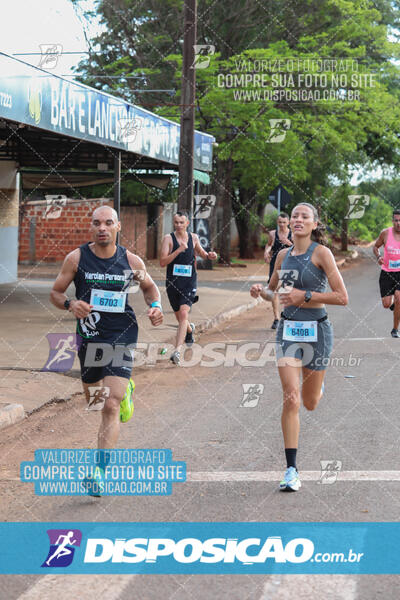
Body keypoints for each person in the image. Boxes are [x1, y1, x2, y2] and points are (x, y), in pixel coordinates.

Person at [50, 206, 163, 495]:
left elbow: (150, 288)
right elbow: (56, 292)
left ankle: (98, 473)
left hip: (121, 335)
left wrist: (155, 307)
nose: (102, 227)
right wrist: (70, 305)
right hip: (88, 337)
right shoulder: (76, 258)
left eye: (108, 223)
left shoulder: (130, 260)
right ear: (92, 227)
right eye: (97, 223)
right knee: (95, 401)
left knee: (110, 405)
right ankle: (123, 391)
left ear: (117, 227)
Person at [250, 203, 348, 492]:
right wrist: (260, 291)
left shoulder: (321, 254)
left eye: (304, 216)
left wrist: (305, 295)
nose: (298, 220)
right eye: (294, 216)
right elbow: (274, 293)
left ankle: (316, 388)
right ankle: (291, 469)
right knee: (291, 398)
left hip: (317, 330)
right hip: (288, 332)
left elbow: (342, 297)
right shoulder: (282, 255)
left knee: (310, 402)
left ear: (315, 223)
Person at [160, 211, 217, 365]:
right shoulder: (168, 239)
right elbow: (162, 262)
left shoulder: (193, 238)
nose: (178, 225)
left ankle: (176, 352)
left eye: (181, 222)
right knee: (181, 318)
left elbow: (201, 253)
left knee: (184, 314)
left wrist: (209, 255)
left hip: (189, 282)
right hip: (173, 283)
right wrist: (178, 250)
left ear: (187, 223)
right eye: (176, 222)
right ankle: (190, 330)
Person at [373, 210, 400, 337]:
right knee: (386, 304)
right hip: (387, 272)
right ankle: (393, 304)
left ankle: (395, 329)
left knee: (399, 297)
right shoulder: (385, 233)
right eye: (396, 220)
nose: (398, 223)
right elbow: (375, 247)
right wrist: (378, 257)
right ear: (393, 221)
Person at [264, 212, 293, 329]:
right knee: (274, 290)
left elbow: (300, 248)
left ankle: (287, 315)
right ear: (277, 222)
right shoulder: (272, 233)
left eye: (284, 222)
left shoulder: (293, 234)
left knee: (287, 291)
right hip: (275, 265)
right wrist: (266, 251)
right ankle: (276, 318)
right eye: (280, 222)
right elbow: (269, 244)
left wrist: (290, 243)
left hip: (289, 265)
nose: (281, 224)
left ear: (288, 223)